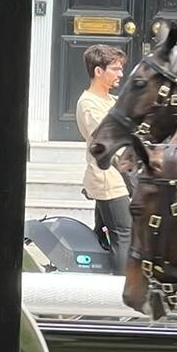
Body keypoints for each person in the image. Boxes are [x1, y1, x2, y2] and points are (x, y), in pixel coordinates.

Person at [75, 43, 131, 275]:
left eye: (120, 69)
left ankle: (96, 283)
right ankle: (119, 298)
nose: (121, 74)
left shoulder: (112, 101)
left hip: (121, 177)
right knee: (124, 235)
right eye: (115, 69)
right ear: (99, 71)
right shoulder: (88, 104)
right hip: (109, 179)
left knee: (104, 233)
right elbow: (107, 142)